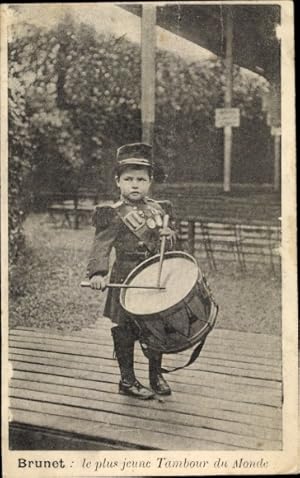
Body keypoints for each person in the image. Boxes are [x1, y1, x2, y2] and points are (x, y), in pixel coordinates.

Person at [87, 142, 177, 400]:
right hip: (125, 277)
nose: (135, 185)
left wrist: (168, 237)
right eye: (128, 179)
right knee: (125, 327)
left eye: (141, 179)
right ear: (118, 181)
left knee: (156, 325)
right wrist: (97, 273)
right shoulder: (113, 214)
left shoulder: (160, 209)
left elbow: (170, 246)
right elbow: (100, 246)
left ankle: (155, 374)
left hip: (153, 275)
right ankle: (127, 379)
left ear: (150, 183)